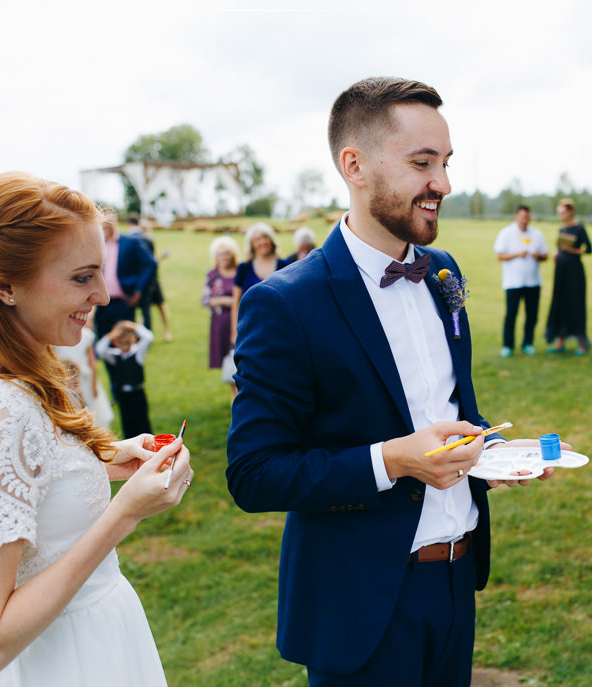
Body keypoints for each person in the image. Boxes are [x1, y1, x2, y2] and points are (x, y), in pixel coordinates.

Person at [227, 76, 557, 687]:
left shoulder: (443, 273)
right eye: (422, 163)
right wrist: (393, 461)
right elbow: (254, 473)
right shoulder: (284, 304)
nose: (444, 185)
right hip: (360, 605)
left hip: (458, 583)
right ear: (354, 165)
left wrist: (494, 452)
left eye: (446, 163)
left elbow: (453, 407)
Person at [0, 172, 193, 685]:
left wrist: (104, 459)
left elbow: (22, 485)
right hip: (59, 661)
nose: (101, 294)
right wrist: (124, 514)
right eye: (82, 277)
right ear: (5, 285)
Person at [493, 205, 548, 356]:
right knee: (511, 315)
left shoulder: (537, 234)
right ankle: (508, 346)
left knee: (532, 315)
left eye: (528, 217)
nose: (525, 220)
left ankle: (527, 344)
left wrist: (539, 256)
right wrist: (517, 254)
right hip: (513, 282)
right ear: (516, 217)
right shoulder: (506, 233)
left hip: (533, 282)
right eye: (523, 217)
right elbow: (499, 255)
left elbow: (545, 255)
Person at [95, 210, 156, 341]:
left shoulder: (130, 242)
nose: (106, 226)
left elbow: (151, 264)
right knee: (102, 342)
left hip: (123, 302)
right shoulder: (97, 244)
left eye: (108, 222)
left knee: (125, 342)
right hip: (101, 303)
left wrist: (139, 291)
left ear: (115, 222)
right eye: (102, 223)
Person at [545, 198, 592, 355]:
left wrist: (572, 251)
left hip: (575, 273)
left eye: (563, 212)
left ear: (571, 212)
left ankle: (582, 342)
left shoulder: (579, 229)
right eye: (559, 213)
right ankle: (561, 341)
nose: (561, 216)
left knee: (576, 304)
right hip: (561, 273)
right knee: (561, 304)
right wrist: (557, 253)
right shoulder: (562, 230)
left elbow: (589, 249)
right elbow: (560, 249)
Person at [52, 308, 114, 428]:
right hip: (64, 377)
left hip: (83, 378)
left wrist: (94, 385)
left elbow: (92, 362)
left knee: (89, 408)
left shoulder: (86, 335)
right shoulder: (55, 336)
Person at [230, 222, 288, 346]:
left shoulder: (285, 265)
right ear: (252, 244)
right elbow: (236, 301)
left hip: (280, 325)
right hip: (250, 327)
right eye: (257, 239)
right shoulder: (244, 268)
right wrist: (235, 332)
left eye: (265, 237)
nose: (262, 242)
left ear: (272, 240)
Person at [96, 320, 154, 439]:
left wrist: (134, 326)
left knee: (142, 423)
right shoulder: (114, 356)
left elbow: (149, 338)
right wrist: (110, 335)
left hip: (138, 394)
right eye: (121, 343)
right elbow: (99, 350)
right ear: (116, 343)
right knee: (128, 424)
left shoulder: (138, 353)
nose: (124, 347)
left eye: (126, 343)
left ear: (134, 339)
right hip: (123, 396)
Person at [203, 236, 240, 399]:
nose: (223, 257)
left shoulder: (241, 271)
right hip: (220, 323)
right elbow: (205, 300)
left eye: (226, 253)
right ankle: (234, 393)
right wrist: (226, 300)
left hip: (240, 320)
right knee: (227, 358)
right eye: (220, 254)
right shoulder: (212, 274)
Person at [128, 215, 173, 342]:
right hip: (149, 279)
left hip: (145, 279)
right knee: (150, 307)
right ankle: (158, 332)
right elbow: (153, 261)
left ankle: (162, 332)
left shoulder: (137, 240)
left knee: (154, 306)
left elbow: (151, 261)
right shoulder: (146, 240)